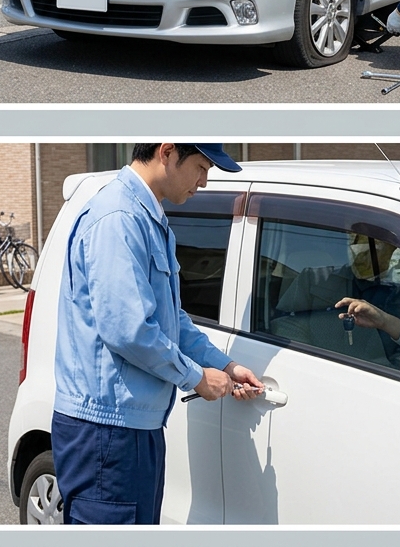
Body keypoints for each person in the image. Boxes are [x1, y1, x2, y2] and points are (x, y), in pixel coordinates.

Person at [52, 143, 264, 525]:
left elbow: (170, 319)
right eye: (201, 166)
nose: (203, 181)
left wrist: (225, 365)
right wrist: (195, 377)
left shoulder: (148, 216)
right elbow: (128, 330)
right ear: (167, 151)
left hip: (131, 426)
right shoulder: (119, 217)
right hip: (107, 429)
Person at [273, 232, 400, 370]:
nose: (360, 252)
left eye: (373, 245)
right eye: (354, 241)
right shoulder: (313, 281)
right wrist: (316, 369)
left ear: (393, 247)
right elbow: (284, 327)